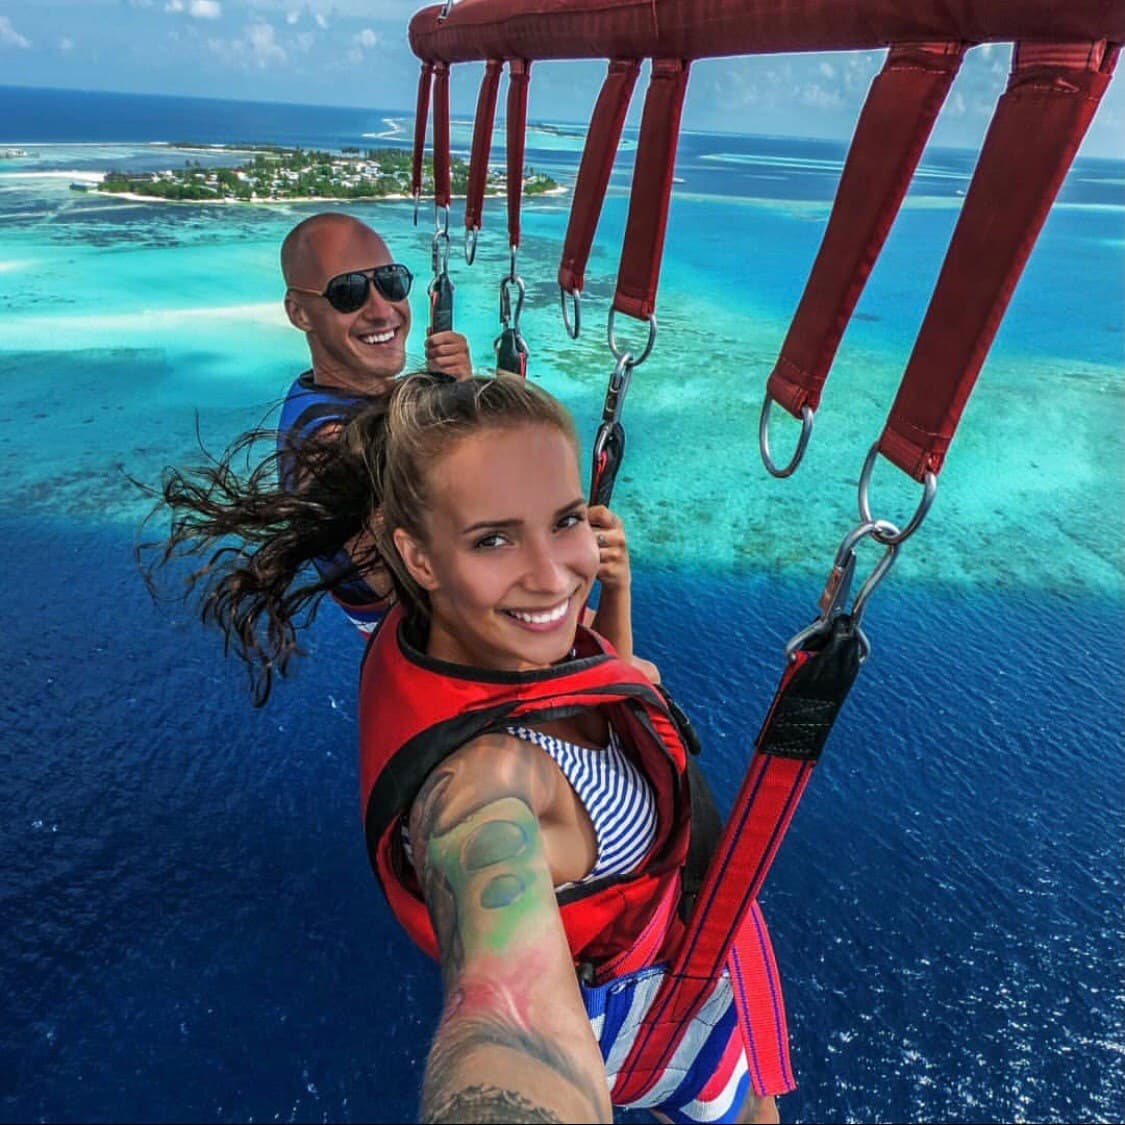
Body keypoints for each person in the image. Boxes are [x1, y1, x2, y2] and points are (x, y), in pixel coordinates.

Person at [150, 373, 793, 1123]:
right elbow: (507, 1014)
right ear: (417, 557)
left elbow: (611, 687)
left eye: (564, 520)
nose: (553, 574)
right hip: (651, 1019)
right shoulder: (482, 787)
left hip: (678, 951)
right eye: (493, 538)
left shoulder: (465, 639)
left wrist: (614, 590)